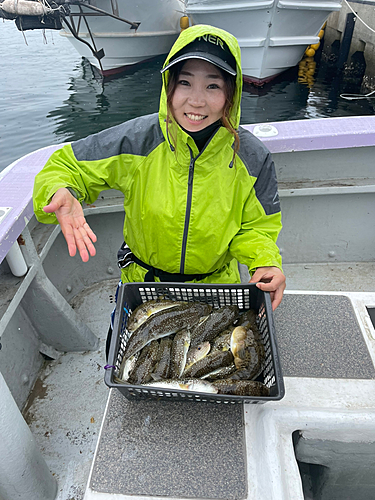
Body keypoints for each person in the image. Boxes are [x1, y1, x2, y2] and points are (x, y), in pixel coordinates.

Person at [33, 25, 286, 321]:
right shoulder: (137, 139)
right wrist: (60, 191)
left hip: (216, 292)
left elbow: (257, 228)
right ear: (169, 86)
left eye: (213, 86)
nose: (196, 101)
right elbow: (65, 164)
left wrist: (265, 262)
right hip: (143, 288)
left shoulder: (252, 157)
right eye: (185, 83)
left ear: (232, 92)